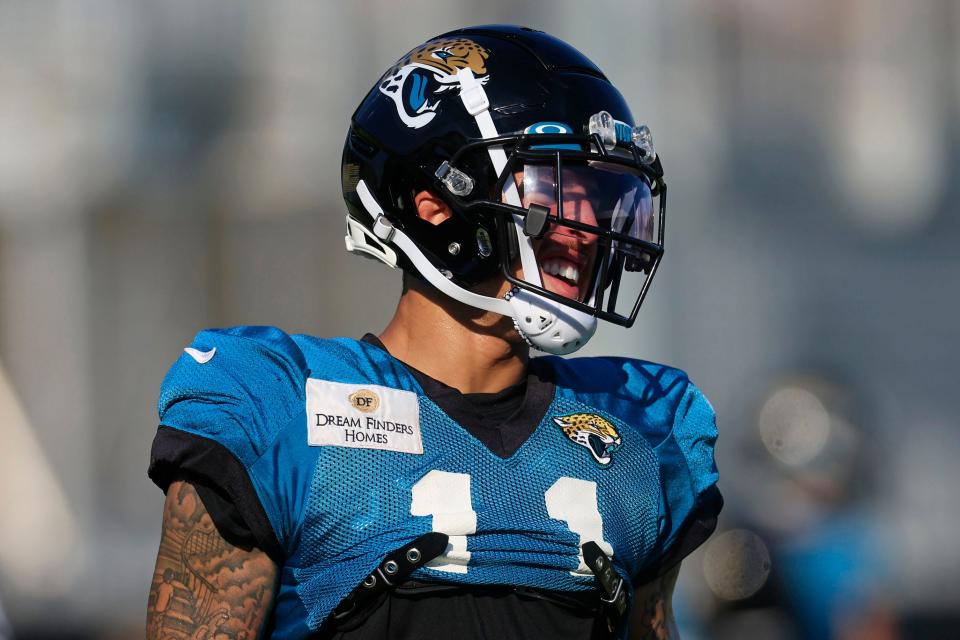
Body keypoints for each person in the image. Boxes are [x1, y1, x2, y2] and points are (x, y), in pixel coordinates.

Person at [147, 25, 721, 640]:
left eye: (601, 199)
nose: (587, 229)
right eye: (560, 191)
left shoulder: (638, 427)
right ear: (435, 205)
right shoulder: (279, 404)